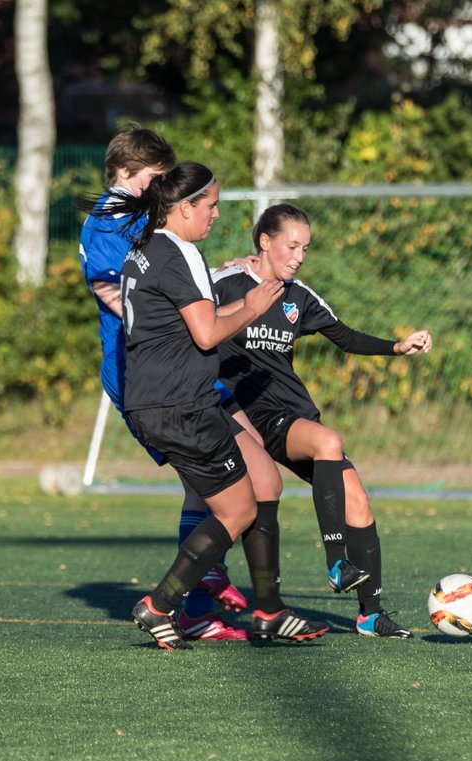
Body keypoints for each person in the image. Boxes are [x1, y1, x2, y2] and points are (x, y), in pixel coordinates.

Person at [90, 163, 330, 648]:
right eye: (211, 205)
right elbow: (206, 334)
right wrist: (252, 308)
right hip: (179, 403)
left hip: (165, 399)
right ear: (184, 208)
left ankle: (267, 610)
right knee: (237, 509)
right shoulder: (180, 254)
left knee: (264, 482)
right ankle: (162, 605)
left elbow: (188, 321)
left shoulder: (146, 249)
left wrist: (241, 303)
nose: (217, 215)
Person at [211, 204, 433, 638]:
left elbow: (345, 337)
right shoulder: (226, 283)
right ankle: (335, 564)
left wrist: (396, 347)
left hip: (297, 414)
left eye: (305, 249)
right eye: (291, 246)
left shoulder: (300, 296)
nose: (298, 256)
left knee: (359, 502)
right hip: (256, 417)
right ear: (264, 241)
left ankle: (370, 614)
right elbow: (193, 317)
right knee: (328, 441)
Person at [78, 129, 247, 642]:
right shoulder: (105, 222)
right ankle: (194, 592)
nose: (162, 187)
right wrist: (189, 309)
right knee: (213, 481)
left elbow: (166, 272)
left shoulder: (137, 216)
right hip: (148, 374)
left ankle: (204, 582)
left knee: (223, 472)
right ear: (126, 172)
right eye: (156, 177)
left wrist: (211, 279)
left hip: (179, 368)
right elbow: (120, 291)